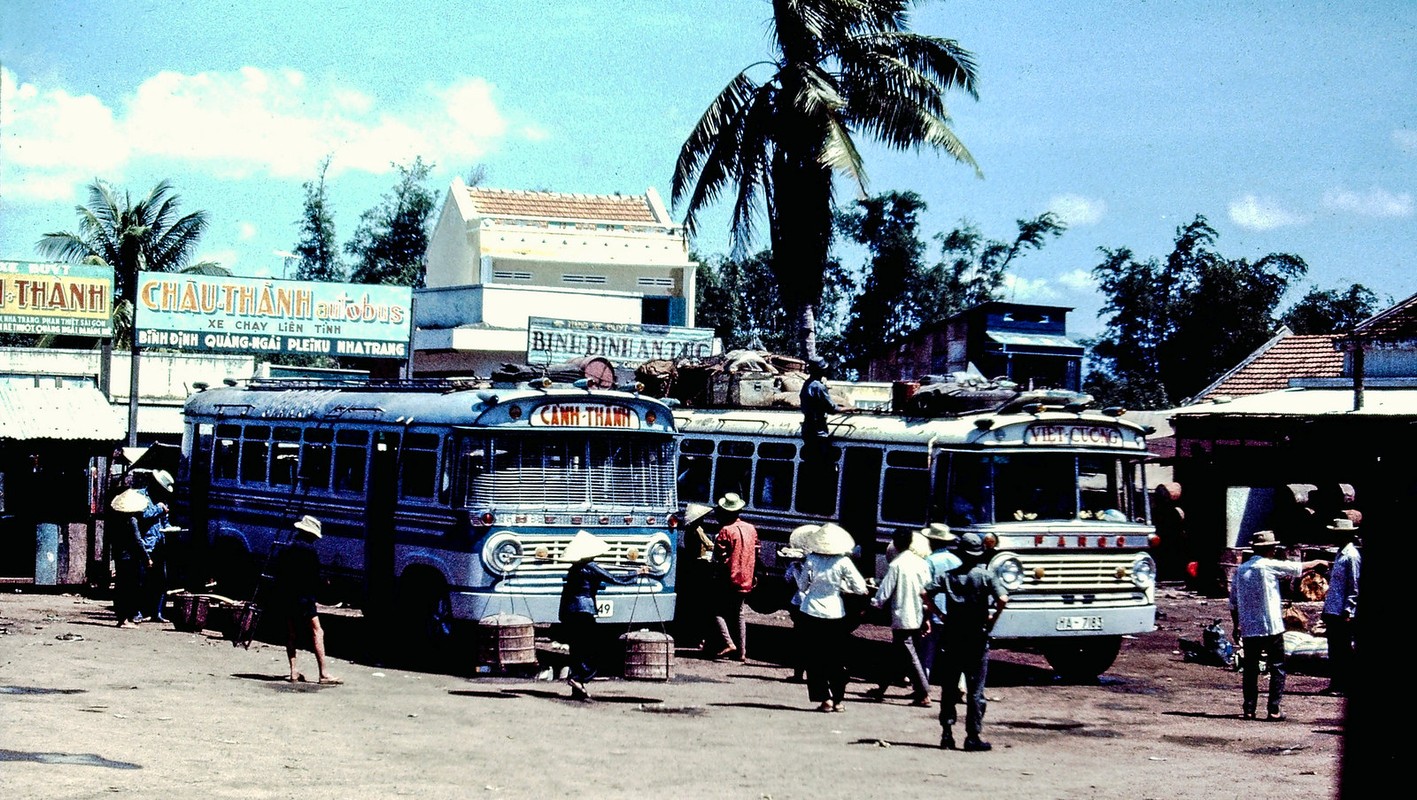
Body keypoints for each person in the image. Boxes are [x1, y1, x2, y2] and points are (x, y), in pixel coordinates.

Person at [1229, 530, 1323, 721]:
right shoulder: (1268, 566)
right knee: (1278, 666)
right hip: (1271, 626)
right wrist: (1316, 563)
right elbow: (1294, 567)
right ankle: (1273, 709)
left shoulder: (1240, 571)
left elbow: (1233, 603)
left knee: (1250, 669)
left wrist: (1236, 625)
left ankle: (1249, 708)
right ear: (1269, 549)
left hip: (1250, 627)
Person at [927, 531, 1008, 751]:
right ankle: (972, 736)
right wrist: (992, 618)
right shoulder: (985, 576)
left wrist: (940, 614)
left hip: (952, 635)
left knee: (949, 686)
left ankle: (946, 733)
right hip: (977, 637)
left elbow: (924, 593)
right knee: (975, 690)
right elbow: (1003, 599)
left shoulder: (948, 576)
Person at [558, 530, 647, 701]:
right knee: (593, 649)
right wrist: (637, 573)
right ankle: (578, 678)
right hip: (584, 611)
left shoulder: (575, 568)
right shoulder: (591, 567)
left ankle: (577, 687)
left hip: (571, 611)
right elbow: (614, 579)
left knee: (577, 648)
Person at [793, 522, 868, 712]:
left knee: (814, 657)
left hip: (810, 611)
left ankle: (824, 699)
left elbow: (802, 587)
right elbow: (860, 588)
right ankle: (838, 700)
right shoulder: (843, 562)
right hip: (835, 612)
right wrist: (842, 587)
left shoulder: (811, 559)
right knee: (836, 657)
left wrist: (799, 573)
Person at [865, 528, 933, 707]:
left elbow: (884, 592)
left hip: (902, 616)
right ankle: (881, 689)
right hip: (919, 613)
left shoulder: (896, 565)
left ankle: (924, 693)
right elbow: (928, 592)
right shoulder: (922, 563)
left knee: (909, 655)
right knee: (899, 654)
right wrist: (927, 616)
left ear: (894, 543)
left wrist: (873, 604)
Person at [272, 515, 340, 684]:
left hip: (286, 595)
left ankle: (293, 671)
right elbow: (314, 577)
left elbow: (278, 572)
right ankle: (323, 673)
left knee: (291, 633)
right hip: (304, 597)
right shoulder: (310, 551)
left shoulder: (286, 548)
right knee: (317, 631)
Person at [708, 492, 758, 661]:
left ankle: (728, 643)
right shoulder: (751, 528)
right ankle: (742, 652)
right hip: (747, 578)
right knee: (739, 613)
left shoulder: (725, 531)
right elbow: (756, 552)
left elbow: (719, 557)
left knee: (716, 611)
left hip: (729, 578)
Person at [1320, 518, 1360, 695]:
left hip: (1342, 611)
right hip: (1333, 608)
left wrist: (1349, 609)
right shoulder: (1340, 553)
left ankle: (1344, 685)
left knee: (1342, 650)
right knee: (1334, 649)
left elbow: (1355, 584)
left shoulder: (1351, 556)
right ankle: (1335, 683)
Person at [920, 523, 962, 683]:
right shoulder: (956, 560)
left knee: (927, 650)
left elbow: (926, 589)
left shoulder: (929, 561)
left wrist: (926, 615)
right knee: (956, 651)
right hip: (954, 611)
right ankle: (961, 686)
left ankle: (923, 687)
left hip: (935, 611)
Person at [136, 470, 175, 623]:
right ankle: (138, 611)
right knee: (141, 580)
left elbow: (165, 522)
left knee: (161, 580)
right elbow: (142, 515)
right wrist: (159, 509)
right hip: (145, 544)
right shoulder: (141, 496)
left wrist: (170, 528)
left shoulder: (162, 499)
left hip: (160, 544)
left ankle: (157, 612)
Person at [110, 486, 152, 627]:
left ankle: (121, 618)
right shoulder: (132, 520)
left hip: (119, 556)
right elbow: (138, 541)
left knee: (121, 587)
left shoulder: (117, 519)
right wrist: (147, 557)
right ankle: (125, 619)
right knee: (130, 588)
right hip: (130, 558)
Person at [676, 502, 717, 648]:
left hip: (691, 563)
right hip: (699, 565)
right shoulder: (698, 529)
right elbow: (710, 545)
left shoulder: (689, 530)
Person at [780, 525, 815, 683]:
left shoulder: (794, 565)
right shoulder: (816, 563)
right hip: (814, 606)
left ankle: (798, 674)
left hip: (798, 604)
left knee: (800, 640)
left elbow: (788, 581)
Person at [799, 357, 838, 465]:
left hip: (807, 429)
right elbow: (832, 408)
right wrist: (850, 409)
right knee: (821, 462)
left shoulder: (806, 384)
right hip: (818, 431)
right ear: (821, 370)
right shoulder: (819, 387)